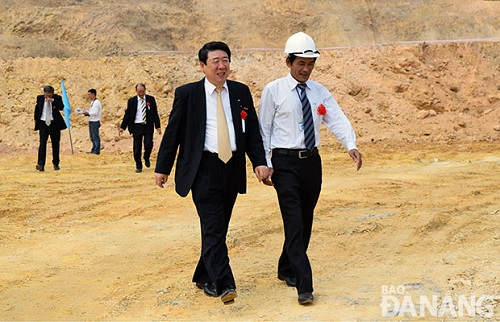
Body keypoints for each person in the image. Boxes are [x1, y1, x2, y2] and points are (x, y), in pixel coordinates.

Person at [154, 41, 269, 305]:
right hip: (202, 169)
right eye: (215, 61)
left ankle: (203, 274)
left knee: (217, 227)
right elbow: (172, 134)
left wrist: (259, 162)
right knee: (214, 225)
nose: (221, 66)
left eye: (225, 60)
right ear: (203, 65)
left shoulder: (241, 92)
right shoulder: (188, 94)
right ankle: (225, 282)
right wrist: (162, 168)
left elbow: (251, 131)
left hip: (232, 168)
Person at [258, 32, 363, 305]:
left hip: (312, 163)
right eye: (300, 63)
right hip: (284, 163)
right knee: (293, 221)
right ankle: (304, 285)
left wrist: (350, 144)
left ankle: (285, 267)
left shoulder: (319, 91)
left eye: (310, 63)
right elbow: (264, 129)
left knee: (305, 219)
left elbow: (336, 118)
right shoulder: (274, 90)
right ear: (288, 62)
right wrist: (266, 164)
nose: (305, 69)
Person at [119, 83, 161, 172]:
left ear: (145, 90)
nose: (141, 94)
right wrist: (123, 127)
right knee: (137, 148)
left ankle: (146, 157)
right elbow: (128, 115)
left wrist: (158, 126)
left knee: (148, 144)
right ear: (136, 91)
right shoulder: (132, 101)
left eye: (142, 92)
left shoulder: (151, 99)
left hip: (148, 126)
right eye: (139, 92)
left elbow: (154, 113)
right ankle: (138, 165)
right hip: (136, 126)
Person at [34, 85, 67, 171]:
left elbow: (61, 107)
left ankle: (56, 163)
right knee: (42, 144)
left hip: (54, 124)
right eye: (46, 95)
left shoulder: (57, 98)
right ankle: (41, 164)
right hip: (43, 123)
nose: (47, 96)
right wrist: (35, 119)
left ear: (52, 93)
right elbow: (37, 108)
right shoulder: (40, 98)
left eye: (49, 95)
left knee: (55, 144)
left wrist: (52, 101)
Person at [83, 88, 102, 155]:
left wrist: (88, 113)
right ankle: (94, 149)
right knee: (92, 136)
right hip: (91, 121)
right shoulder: (93, 102)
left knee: (95, 136)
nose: (88, 96)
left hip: (94, 121)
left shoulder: (96, 103)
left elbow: (95, 112)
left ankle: (96, 150)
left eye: (89, 94)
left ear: (93, 94)